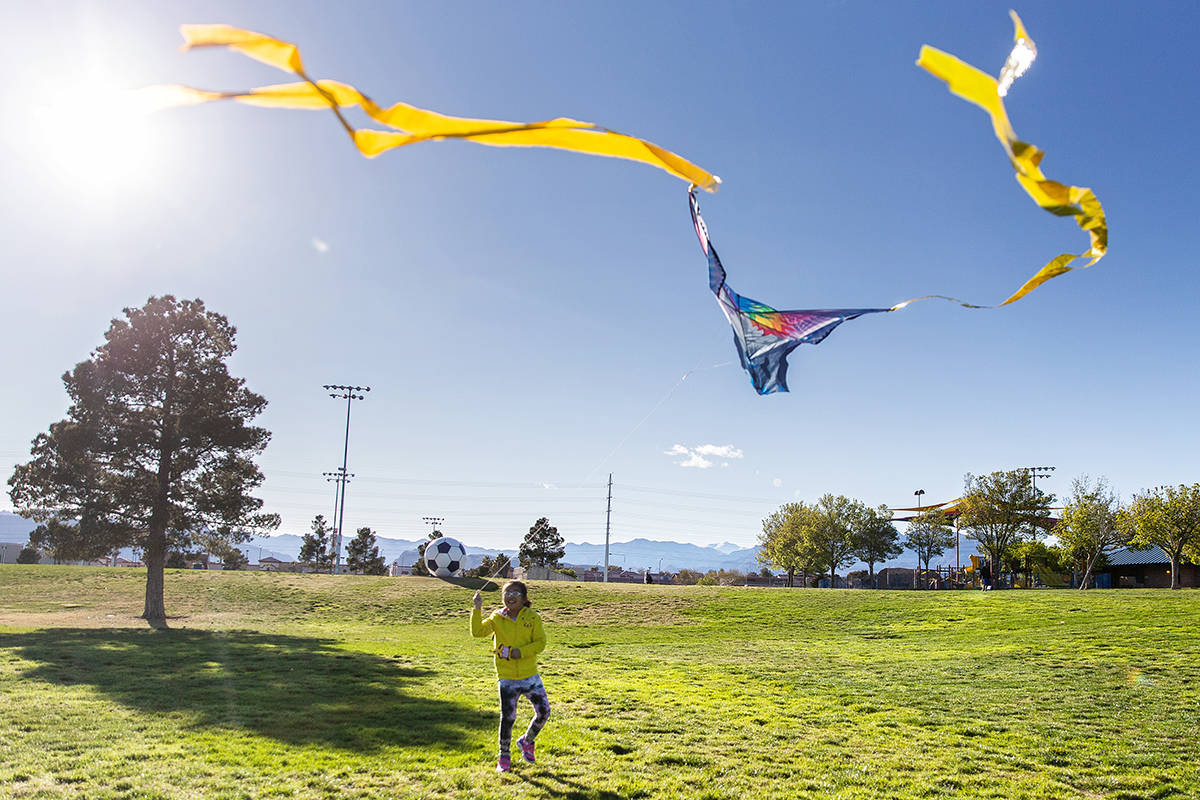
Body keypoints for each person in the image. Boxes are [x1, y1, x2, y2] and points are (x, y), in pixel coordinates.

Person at [471, 580, 549, 773]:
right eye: (507, 593)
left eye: (515, 593)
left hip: (530, 675)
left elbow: (540, 643)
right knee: (508, 718)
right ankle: (504, 757)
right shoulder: (497, 617)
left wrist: (519, 652)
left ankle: (526, 741)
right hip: (506, 677)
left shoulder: (532, 617)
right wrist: (477, 608)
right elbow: (477, 632)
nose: (510, 596)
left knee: (544, 712)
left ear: (523, 598)